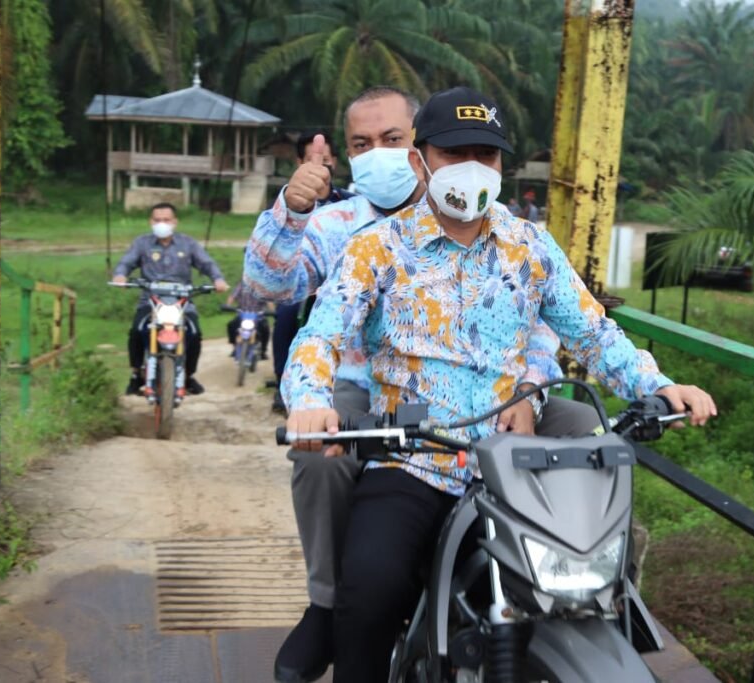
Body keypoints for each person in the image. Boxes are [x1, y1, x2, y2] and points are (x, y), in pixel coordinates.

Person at [282, 86, 717, 683]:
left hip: (516, 467)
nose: (471, 169)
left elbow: (592, 332)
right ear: (421, 161)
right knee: (368, 590)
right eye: (453, 154)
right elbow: (321, 334)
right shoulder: (377, 248)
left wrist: (660, 384)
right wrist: (309, 402)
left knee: (591, 587)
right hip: (416, 461)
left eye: (485, 156)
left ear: (502, 164)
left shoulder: (530, 247)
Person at [243, 85, 599, 683]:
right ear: (423, 158)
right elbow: (273, 295)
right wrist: (292, 209)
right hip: (374, 394)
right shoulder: (350, 231)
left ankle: (599, 586)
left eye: (390, 137)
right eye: (362, 144)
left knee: (591, 432)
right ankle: (329, 605)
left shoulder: (522, 240)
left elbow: (559, 322)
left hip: (499, 398)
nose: (377, 152)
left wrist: (532, 391)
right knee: (328, 460)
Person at [269, 131, 354, 414]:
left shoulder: (348, 201)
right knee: (285, 314)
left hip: (343, 283)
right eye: (313, 160)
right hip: (303, 280)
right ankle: (284, 382)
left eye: (327, 161)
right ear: (299, 162)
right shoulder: (289, 200)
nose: (321, 167)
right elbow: (274, 244)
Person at [113, 202, 229, 396]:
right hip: (150, 301)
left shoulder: (188, 244)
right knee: (137, 331)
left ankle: (188, 375)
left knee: (194, 333)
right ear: (151, 221)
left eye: (166, 220)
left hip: (182, 302)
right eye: (157, 220)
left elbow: (206, 263)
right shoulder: (142, 243)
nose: (162, 224)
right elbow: (126, 262)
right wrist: (120, 275)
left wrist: (217, 279)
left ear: (175, 222)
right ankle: (136, 374)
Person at [225, 281, 270, 359]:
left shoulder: (263, 287)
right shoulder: (242, 285)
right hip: (242, 315)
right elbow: (232, 296)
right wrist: (227, 306)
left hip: (258, 316)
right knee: (231, 325)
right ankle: (235, 346)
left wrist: (272, 311)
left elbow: (269, 300)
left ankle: (263, 350)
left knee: (265, 328)